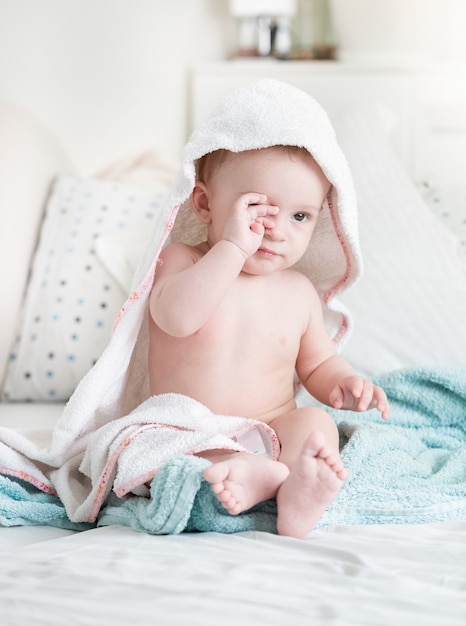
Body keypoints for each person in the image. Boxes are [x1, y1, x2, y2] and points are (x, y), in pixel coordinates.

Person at [147, 143, 390, 539]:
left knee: (314, 422)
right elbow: (175, 318)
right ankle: (256, 475)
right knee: (168, 454)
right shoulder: (185, 261)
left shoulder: (298, 291)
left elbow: (318, 365)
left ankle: (297, 491)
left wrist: (343, 382)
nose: (277, 229)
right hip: (190, 429)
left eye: (299, 216)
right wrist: (232, 248)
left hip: (270, 430)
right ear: (205, 204)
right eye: (258, 210)